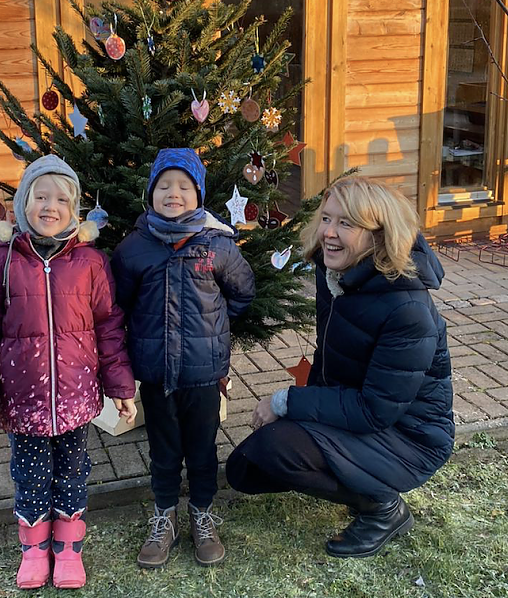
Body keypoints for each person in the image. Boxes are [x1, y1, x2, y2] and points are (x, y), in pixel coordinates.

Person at [225, 175, 454, 559]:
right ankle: (358, 478)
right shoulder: (336, 275)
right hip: (358, 411)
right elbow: (331, 359)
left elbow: (374, 410)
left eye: (346, 223)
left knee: (275, 449)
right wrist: (302, 412)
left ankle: (382, 506)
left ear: (378, 235)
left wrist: (285, 403)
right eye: (327, 218)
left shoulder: (408, 311)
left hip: (410, 436)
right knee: (244, 471)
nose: (328, 232)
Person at [0, 155, 137, 590]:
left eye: (61, 199)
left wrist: (121, 387)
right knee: (31, 475)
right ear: (23, 203)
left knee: (73, 471)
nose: (50, 206)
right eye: (40, 196)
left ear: (74, 209)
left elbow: (109, 327)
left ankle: (68, 549)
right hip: (24, 401)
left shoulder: (90, 263)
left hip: (77, 398)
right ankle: (35, 549)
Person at [111, 148, 255, 569]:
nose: (173, 193)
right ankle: (165, 516)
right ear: (151, 192)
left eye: (184, 187)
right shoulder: (134, 248)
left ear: (199, 194)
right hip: (157, 376)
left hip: (203, 374)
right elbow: (118, 305)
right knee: (164, 449)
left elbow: (242, 294)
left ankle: (202, 514)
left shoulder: (217, 245)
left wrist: (212, 329)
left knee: (202, 449)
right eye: (164, 185)